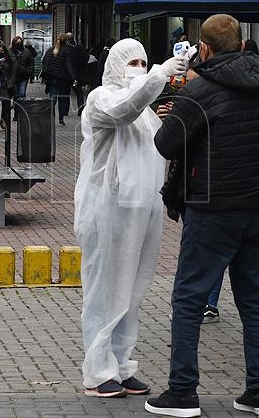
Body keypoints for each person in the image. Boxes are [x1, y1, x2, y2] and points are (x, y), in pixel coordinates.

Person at [147, 15, 259, 418]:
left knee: (188, 299)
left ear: (204, 49)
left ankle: (182, 392)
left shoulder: (199, 90)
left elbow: (166, 144)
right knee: (253, 301)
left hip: (212, 207)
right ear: (242, 45)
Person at [76, 39, 187, 398]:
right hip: (107, 210)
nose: (138, 68)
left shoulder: (146, 112)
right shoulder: (101, 98)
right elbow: (122, 109)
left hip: (141, 212)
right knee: (104, 291)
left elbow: (157, 145)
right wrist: (158, 74)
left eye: (143, 61)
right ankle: (98, 371)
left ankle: (122, 365)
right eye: (132, 62)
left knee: (131, 292)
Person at [42, 34, 73, 125]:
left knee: (53, 99)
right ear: (65, 42)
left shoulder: (50, 50)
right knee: (62, 100)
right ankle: (61, 120)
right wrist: (73, 78)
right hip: (63, 79)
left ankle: (51, 119)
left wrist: (46, 74)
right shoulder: (66, 52)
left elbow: (44, 62)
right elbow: (68, 66)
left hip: (52, 78)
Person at [63, 33, 89, 115]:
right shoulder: (80, 47)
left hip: (67, 74)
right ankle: (80, 109)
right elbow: (87, 57)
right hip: (79, 73)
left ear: (66, 39)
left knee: (66, 92)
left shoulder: (65, 47)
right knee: (79, 92)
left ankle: (65, 111)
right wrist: (82, 66)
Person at [11, 36, 36, 100]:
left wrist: (29, 71)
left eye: (20, 42)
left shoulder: (27, 52)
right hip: (13, 76)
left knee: (21, 93)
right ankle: (17, 104)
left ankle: (20, 104)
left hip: (24, 75)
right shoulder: (10, 52)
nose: (18, 44)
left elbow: (31, 62)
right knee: (15, 94)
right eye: (16, 42)